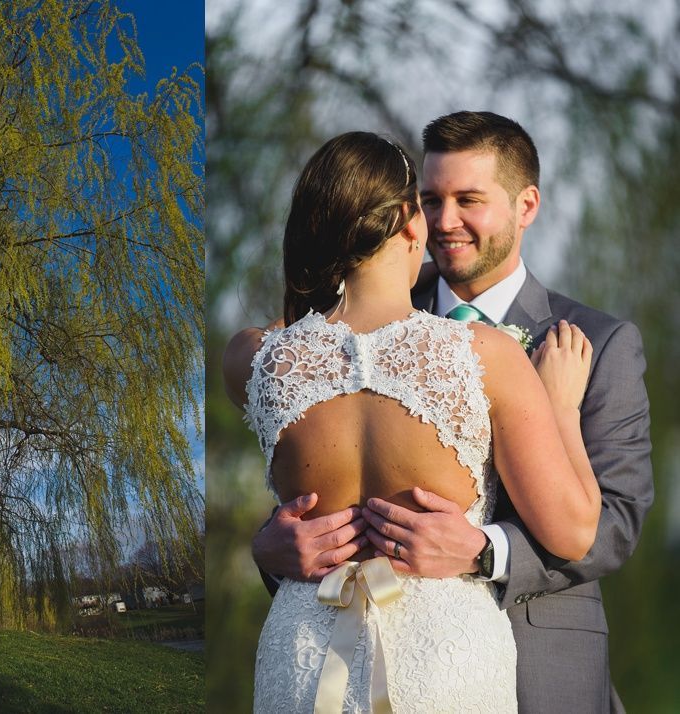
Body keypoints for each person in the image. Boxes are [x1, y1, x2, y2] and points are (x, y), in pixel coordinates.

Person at [251, 112, 653, 713]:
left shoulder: (598, 341)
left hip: (545, 677)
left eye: (469, 199)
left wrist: (482, 550)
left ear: (526, 205)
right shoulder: (342, 323)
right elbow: (305, 481)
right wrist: (269, 547)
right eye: (431, 200)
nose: (445, 221)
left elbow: (615, 522)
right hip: (343, 655)